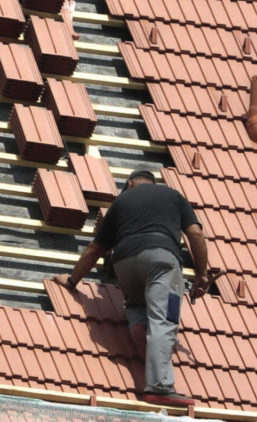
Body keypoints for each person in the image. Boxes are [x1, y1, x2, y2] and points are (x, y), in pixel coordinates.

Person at [53, 170, 208, 407]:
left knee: (137, 304)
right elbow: (195, 234)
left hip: (124, 264)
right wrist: (201, 274)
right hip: (162, 260)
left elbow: (95, 249)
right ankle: (159, 387)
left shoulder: (120, 203)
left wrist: (72, 281)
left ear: (129, 184)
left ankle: (137, 324)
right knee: (166, 317)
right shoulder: (174, 196)